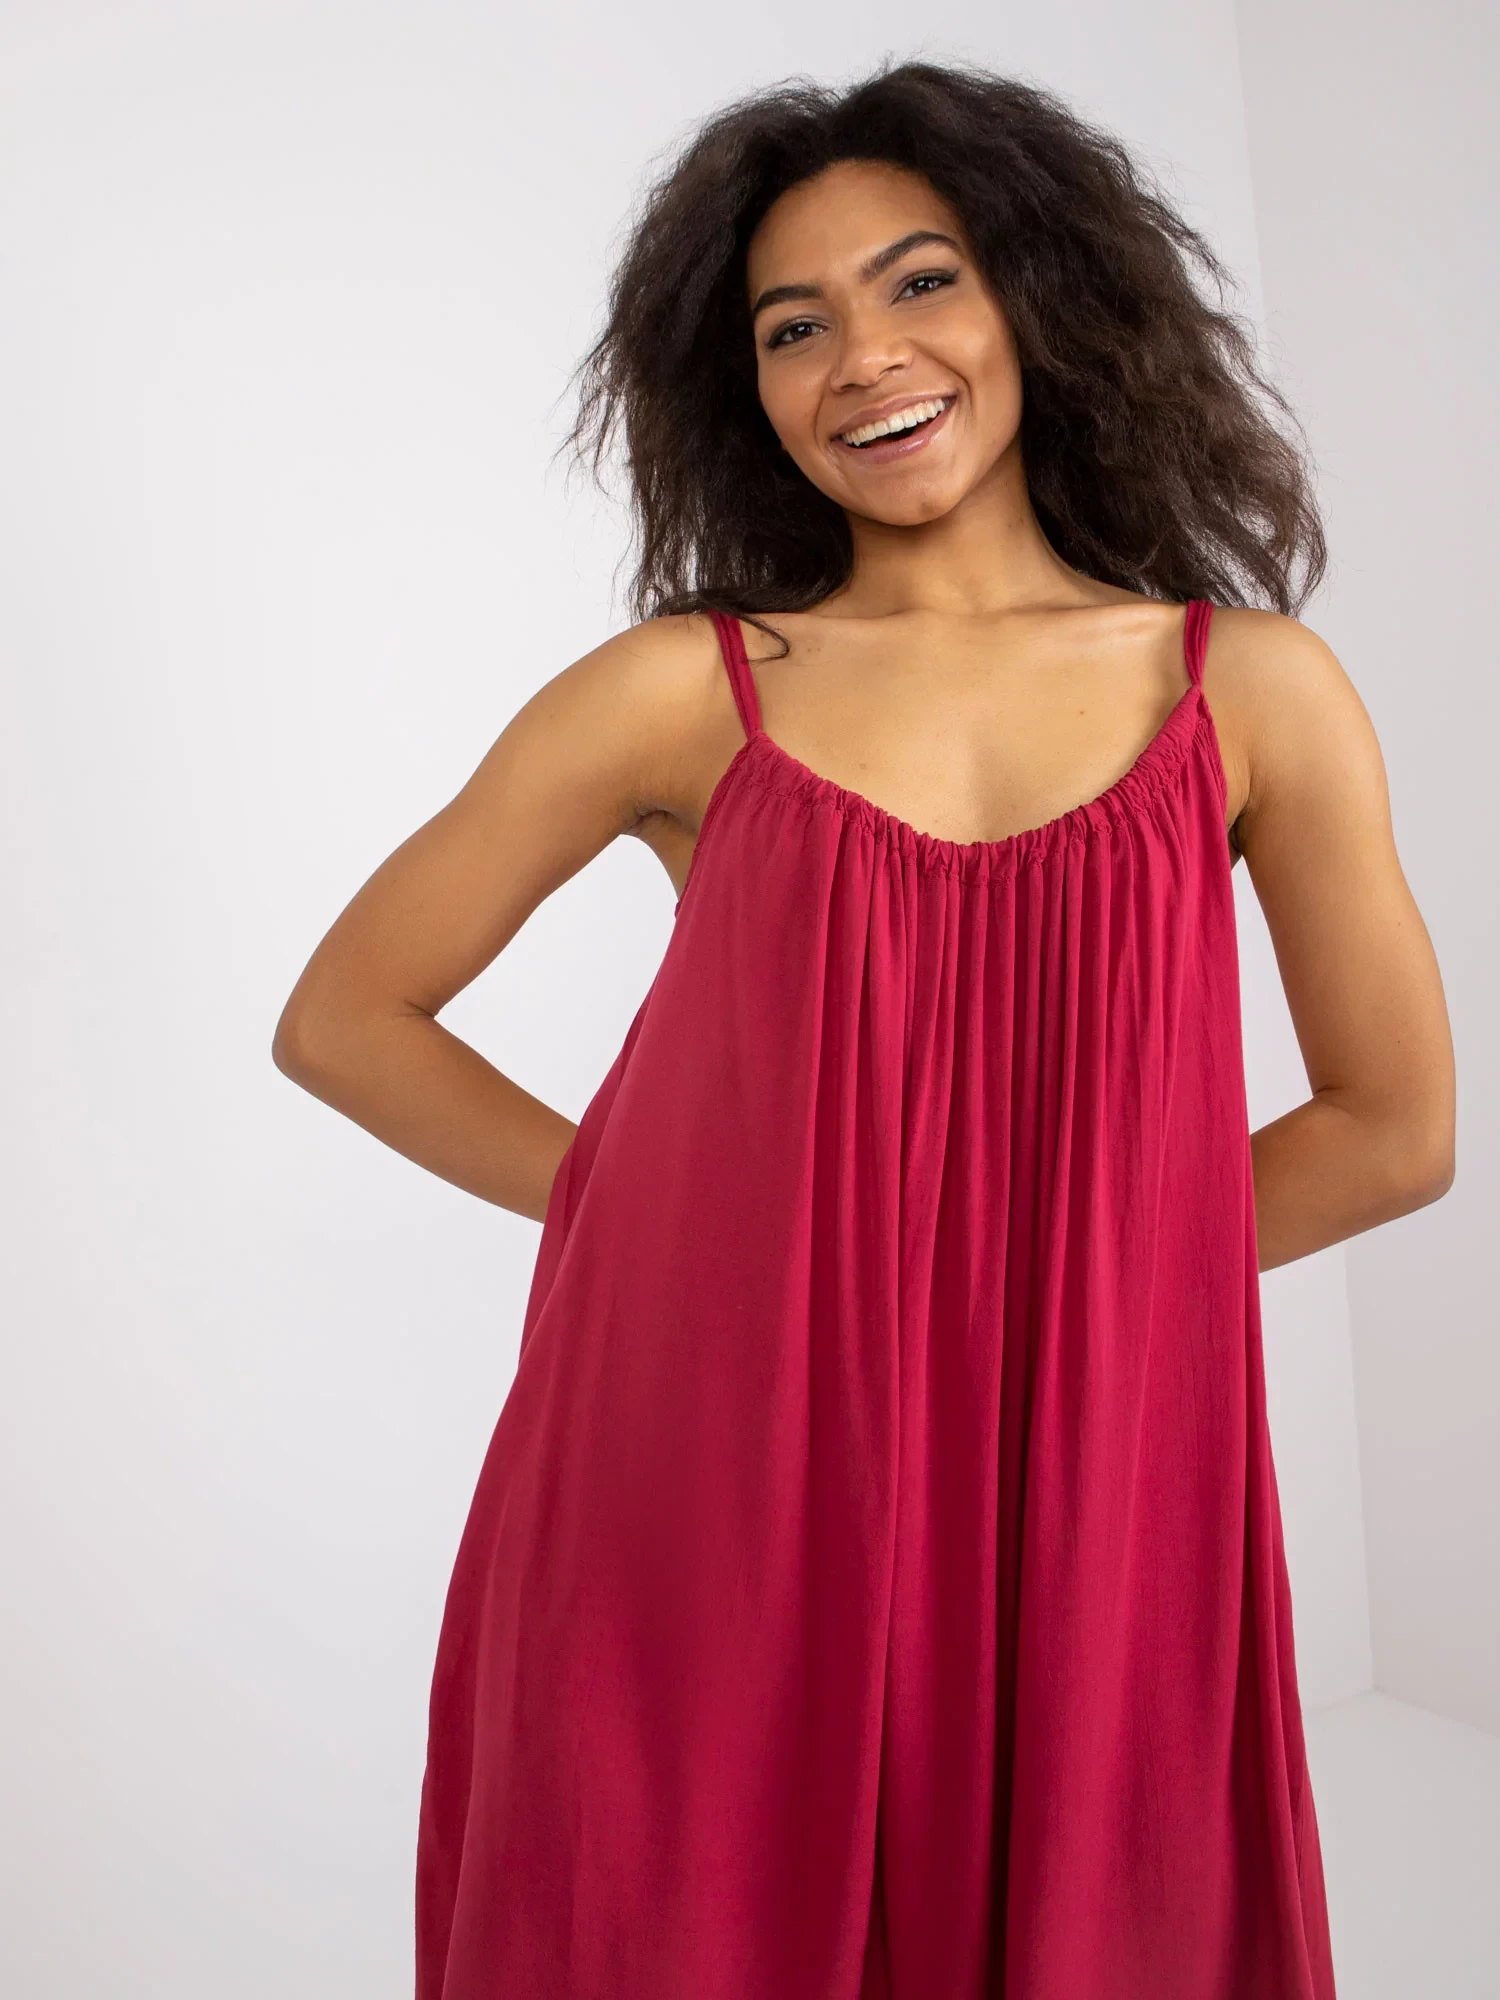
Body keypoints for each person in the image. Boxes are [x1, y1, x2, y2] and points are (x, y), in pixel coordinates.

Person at [272, 58, 1454, 2000]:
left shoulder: (1251, 691)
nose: (864, 358)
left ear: (1036, 299)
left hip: (1084, 1488)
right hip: (707, 1477)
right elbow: (347, 1017)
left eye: (921, 282)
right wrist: (670, 1234)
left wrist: (1063, 1296)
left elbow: (1395, 1128)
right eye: (793, 325)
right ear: (740, 387)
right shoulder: (681, 691)